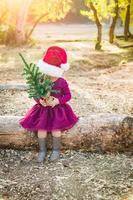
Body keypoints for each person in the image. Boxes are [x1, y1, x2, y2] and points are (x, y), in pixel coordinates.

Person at [19, 46, 79, 163]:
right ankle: (42, 150)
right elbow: (36, 93)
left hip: (58, 110)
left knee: (56, 130)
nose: (51, 75)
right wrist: (39, 101)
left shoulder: (62, 81)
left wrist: (57, 101)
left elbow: (68, 95)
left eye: (53, 72)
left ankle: (56, 150)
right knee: (41, 130)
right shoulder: (41, 79)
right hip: (42, 110)